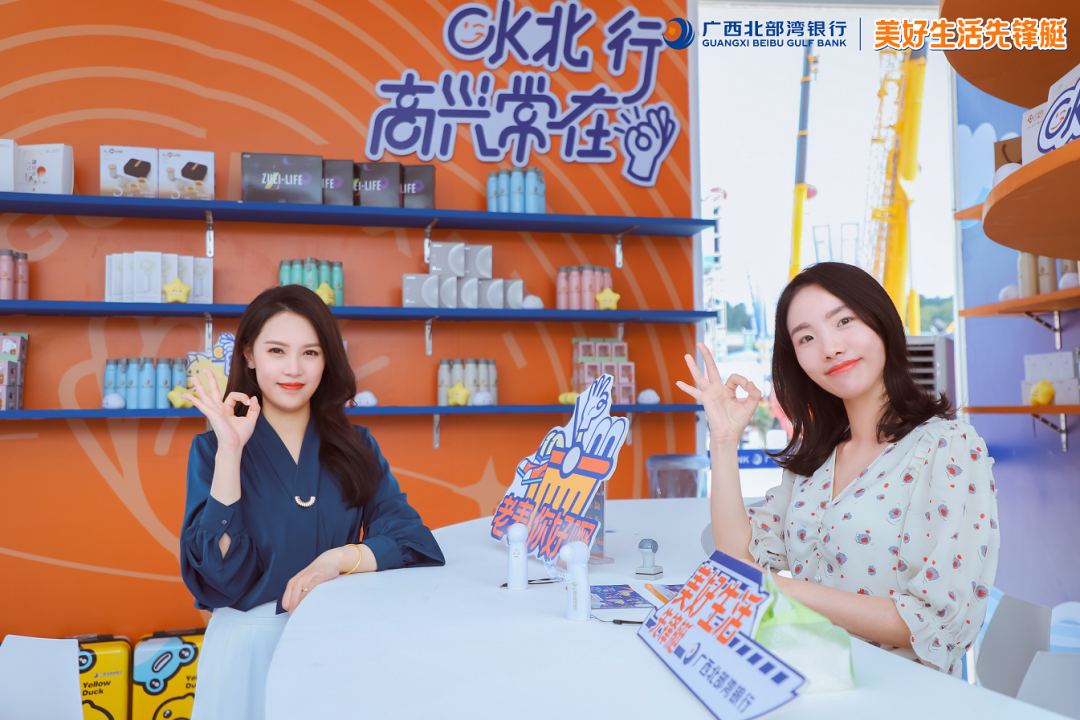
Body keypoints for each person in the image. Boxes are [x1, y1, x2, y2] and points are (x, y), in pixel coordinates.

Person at [677, 262, 999, 676]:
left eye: (844, 321)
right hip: (811, 679)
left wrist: (781, 589)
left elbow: (938, 626)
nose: (830, 347)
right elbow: (738, 559)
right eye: (806, 338)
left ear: (880, 321)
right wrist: (723, 441)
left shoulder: (948, 448)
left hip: (902, 694)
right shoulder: (816, 457)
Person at [180, 285, 444, 719]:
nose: (293, 369)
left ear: (327, 359)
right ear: (249, 354)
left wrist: (338, 559)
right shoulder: (213, 451)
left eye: (310, 353)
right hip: (247, 655)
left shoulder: (357, 446)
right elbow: (220, 575)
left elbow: (412, 541)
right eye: (277, 351)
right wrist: (231, 450)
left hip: (336, 641)